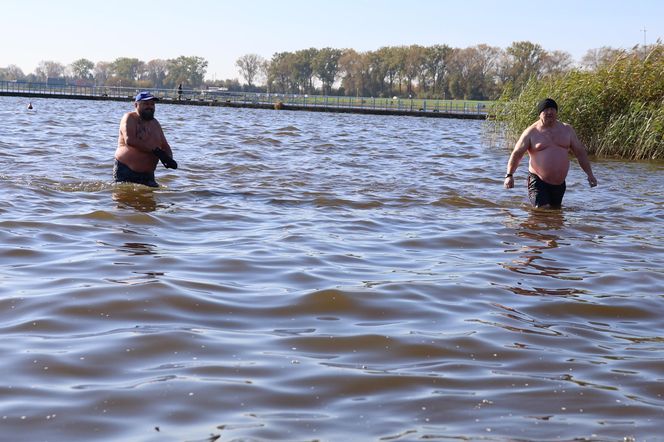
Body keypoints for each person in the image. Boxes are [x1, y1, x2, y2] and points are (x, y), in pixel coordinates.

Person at [504, 98, 597, 209]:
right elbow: (517, 154)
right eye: (546, 110)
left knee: (556, 215)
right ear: (540, 114)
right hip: (537, 181)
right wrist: (509, 175)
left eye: (552, 109)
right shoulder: (531, 132)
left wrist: (590, 174)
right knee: (543, 209)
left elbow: (580, 153)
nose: (549, 112)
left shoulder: (567, 130)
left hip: (559, 184)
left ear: (556, 112)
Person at [114, 91, 177, 188]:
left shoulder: (155, 123)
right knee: (126, 200)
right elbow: (130, 140)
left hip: (148, 176)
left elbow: (165, 145)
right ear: (136, 105)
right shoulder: (129, 118)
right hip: (126, 171)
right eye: (146, 104)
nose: (150, 107)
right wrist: (156, 151)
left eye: (152, 104)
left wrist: (169, 158)